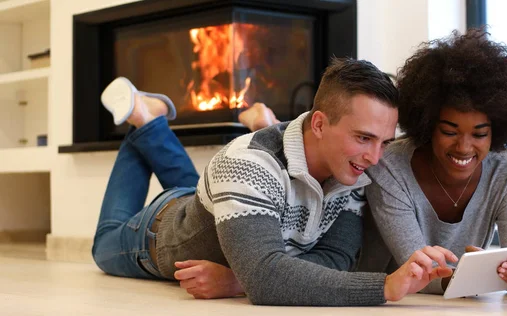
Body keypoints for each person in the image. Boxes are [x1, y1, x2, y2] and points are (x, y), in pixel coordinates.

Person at [91, 58, 459, 306]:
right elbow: (266, 279)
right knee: (103, 244)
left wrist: (240, 279)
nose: (376, 158)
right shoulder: (247, 163)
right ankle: (145, 120)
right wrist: (383, 286)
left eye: (384, 142)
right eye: (363, 138)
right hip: (158, 234)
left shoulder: (354, 169)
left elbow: (337, 259)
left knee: (213, 192)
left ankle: (164, 124)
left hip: (228, 206)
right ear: (318, 124)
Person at [356, 29, 507, 301]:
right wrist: (486, 276)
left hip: (461, 304)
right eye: (449, 131)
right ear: (428, 125)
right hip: (386, 304)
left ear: (497, 132)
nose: (464, 147)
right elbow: (417, 272)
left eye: (480, 134)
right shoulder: (389, 164)